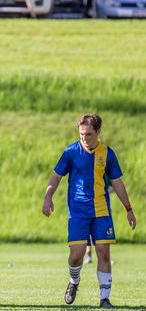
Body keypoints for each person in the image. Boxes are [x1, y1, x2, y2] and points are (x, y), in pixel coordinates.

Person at [42, 114, 137, 308]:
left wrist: (128, 208)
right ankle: (74, 282)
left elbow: (117, 183)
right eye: (81, 134)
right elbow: (56, 177)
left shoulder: (108, 154)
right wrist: (48, 197)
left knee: (103, 253)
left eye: (89, 134)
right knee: (76, 255)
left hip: (101, 210)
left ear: (98, 132)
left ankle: (104, 299)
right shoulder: (70, 152)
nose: (84, 137)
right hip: (77, 212)